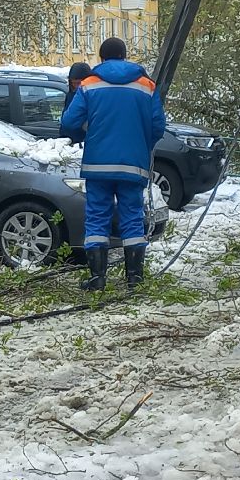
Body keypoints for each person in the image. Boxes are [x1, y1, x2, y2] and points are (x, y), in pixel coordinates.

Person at [60, 37, 168, 291]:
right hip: (133, 164)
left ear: (101, 57)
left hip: (98, 164)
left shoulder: (89, 85)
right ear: (125, 55)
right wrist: (141, 145)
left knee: (97, 218)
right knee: (132, 216)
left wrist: (91, 131)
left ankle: (98, 278)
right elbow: (158, 126)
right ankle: (134, 278)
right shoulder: (146, 85)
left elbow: (68, 123)